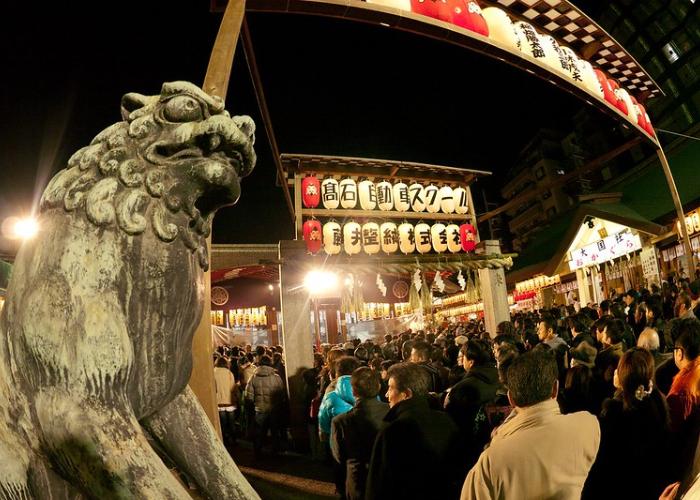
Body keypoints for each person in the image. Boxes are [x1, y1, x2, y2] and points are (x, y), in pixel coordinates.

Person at [461, 349, 599, 500]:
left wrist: (498, 439)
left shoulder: (490, 463)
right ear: (555, 389)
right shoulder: (587, 425)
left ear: (511, 399)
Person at [582, 348, 672, 499]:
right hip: (651, 488)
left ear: (623, 377)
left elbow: (602, 467)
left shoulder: (614, 414)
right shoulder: (657, 403)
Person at [365, 363, 461, 500]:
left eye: (391, 389)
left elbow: (379, 485)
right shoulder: (445, 420)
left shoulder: (393, 431)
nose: (386, 394)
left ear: (406, 394)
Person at [331, 367, 389, 500]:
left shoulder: (341, 421)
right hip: (385, 478)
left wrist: (341, 488)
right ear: (379, 386)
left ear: (353, 391)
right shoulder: (392, 412)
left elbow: (338, 458)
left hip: (357, 479)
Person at [444, 339, 500, 470]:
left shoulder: (463, 387)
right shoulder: (498, 377)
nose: (460, 360)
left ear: (471, 362)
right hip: (498, 440)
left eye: (463, 357)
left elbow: (452, 419)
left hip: (473, 448)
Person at [244, 354, 286, 457]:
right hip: (274, 409)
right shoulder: (276, 377)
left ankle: (258, 451)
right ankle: (275, 451)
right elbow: (281, 393)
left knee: (259, 432)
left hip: (259, 408)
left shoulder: (253, 378)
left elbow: (248, 395)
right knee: (274, 430)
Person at [318, 356, 361, 440]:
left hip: (339, 442)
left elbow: (324, 428)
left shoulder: (330, 394)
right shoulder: (369, 391)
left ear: (337, 372)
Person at [214, 356, 238, 447]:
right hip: (229, 401)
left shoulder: (213, 372)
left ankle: (224, 440)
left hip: (219, 401)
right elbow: (233, 388)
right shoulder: (229, 373)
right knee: (232, 423)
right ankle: (234, 440)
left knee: (223, 423)